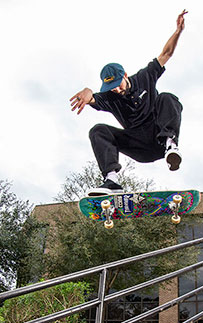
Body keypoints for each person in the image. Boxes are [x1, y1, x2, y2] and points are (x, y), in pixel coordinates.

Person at [70, 10, 188, 196]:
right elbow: (93, 97)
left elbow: (166, 53)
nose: (116, 90)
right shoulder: (110, 97)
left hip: (158, 138)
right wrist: (88, 92)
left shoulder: (145, 76)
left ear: (125, 75)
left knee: (167, 97)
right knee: (98, 130)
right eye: (111, 88)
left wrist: (177, 31)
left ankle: (171, 145)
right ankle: (112, 181)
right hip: (138, 146)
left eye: (118, 85)